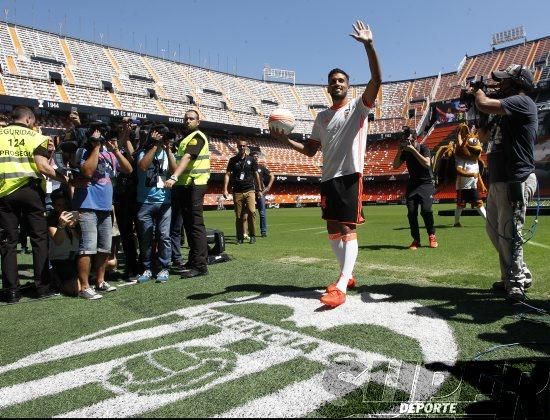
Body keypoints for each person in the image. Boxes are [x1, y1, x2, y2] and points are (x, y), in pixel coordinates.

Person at [271, 20, 381, 308]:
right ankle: (348, 274)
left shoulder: (358, 107)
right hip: (328, 178)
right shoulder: (321, 118)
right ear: (327, 87)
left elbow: (377, 80)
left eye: (341, 81)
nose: (337, 84)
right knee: (333, 229)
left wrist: (369, 45)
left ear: (348, 86)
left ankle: (342, 285)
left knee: (347, 230)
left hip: (349, 175)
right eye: (333, 81)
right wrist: (284, 140)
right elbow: (310, 150)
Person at [469, 64, 538, 301]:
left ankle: (516, 282)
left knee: (509, 232)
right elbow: (482, 136)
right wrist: (478, 109)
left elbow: (484, 102)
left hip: (515, 178)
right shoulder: (505, 108)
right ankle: (515, 274)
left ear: (517, 82)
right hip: (498, 178)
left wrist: (478, 91)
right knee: (496, 231)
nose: (498, 84)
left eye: (503, 80)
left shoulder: (522, 101)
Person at [0, 106, 67, 303]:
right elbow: (42, 167)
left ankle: (12, 291)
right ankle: (42, 287)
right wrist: (66, 179)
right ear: (29, 119)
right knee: (39, 239)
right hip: (30, 191)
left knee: (7, 243)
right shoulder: (36, 137)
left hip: (4, 193)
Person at [73, 124, 133, 299]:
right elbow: (87, 171)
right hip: (87, 206)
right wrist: (96, 146)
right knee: (87, 248)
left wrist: (115, 151)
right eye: (97, 135)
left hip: (106, 207)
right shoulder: (83, 152)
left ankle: (100, 281)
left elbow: (128, 169)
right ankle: (84, 286)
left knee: (104, 248)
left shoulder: (109, 154)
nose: (101, 138)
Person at [164, 110, 210, 279]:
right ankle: (193, 261)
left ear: (198, 122)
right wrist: (168, 150)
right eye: (186, 118)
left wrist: (174, 177)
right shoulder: (185, 139)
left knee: (195, 225)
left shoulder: (197, 137)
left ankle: (200, 265)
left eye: (191, 119)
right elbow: (178, 161)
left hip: (194, 184)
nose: (187, 121)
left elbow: (188, 158)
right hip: (185, 186)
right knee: (190, 226)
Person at [135, 127, 177, 283]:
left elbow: (174, 171)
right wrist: (153, 145)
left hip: (164, 201)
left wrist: (168, 149)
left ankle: (164, 268)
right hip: (145, 201)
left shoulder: (167, 153)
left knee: (164, 236)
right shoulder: (143, 152)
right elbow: (143, 167)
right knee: (145, 237)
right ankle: (147, 268)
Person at [393, 126, 438, 250]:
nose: (407, 142)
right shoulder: (405, 151)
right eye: (405, 140)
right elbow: (395, 166)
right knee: (411, 213)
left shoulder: (424, 148)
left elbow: (427, 163)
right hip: (413, 185)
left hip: (427, 183)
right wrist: (399, 151)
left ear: (415, 139)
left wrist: (413, 150)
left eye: (409, 140)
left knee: (426, 210)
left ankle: (432, 235)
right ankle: (416, 240)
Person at [223, 139, 262, 244]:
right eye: (240, 146)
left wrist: (259, 189)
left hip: (250, 189)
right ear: (237, 147)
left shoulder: (251, 160)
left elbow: (256, 174)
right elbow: (227, 174)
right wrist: (225, 189)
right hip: (237, 191)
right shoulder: (232, 160)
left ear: (246, 147)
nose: (242, 147)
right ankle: (239, 236)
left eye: (243, 146)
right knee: (239, 215)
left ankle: (252, 235)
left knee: (252, 212)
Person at [47, 188, 80, 296]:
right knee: (76, 289)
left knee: (111, 264)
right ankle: (55, 279)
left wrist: (73, 227)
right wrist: (61, 226)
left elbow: (80, 240)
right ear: (54, 205)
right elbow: (58, 241)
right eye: (59, 205)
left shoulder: (75, 216)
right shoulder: (51, 219)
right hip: (60, 260)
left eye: (65, 205)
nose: (63, 209)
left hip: (76, 258)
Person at [453, 125, 487, 227]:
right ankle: (456, 222)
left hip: (473, 186)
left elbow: (478, 174)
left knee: (479, 203)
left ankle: (488, 222)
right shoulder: (461, 159)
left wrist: (482, 184)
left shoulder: (475, 161)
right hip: (462, 187)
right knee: (460, 206)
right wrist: (471, 174)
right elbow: (459, 171)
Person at [250, 151, 275, 237]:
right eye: (254, 156)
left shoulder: (262, 167)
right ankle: (250, 231)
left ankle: (263, 231)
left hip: (260, 193)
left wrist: (268, 187)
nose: (256, 157)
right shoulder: (248, 168)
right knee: (250, 212)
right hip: (250, 192)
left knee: (262, 213)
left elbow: (272, 176)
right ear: (251, 158)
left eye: (257, 156)